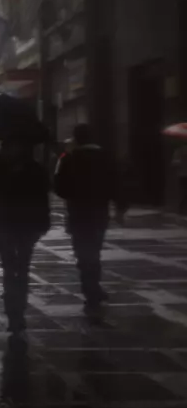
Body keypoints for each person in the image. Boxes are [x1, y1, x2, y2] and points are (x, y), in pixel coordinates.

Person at [0, 140, 50, 335]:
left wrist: (43, 221)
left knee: (22, 266)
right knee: (10, 267)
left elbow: (42, 196)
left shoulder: (34, 169)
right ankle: (13, 310)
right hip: (5, 223)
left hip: (26, 223)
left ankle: (18, 308)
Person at [55, 124, 124, 309]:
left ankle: (90, 288)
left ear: (76, 139)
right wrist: (120, 209)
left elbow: (59, 188)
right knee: (94, 251)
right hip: (99, 212)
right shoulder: (106, 157)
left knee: (83, 253)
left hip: (78, 213)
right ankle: (94, 287)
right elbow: (117, 183)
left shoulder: (69, 159)